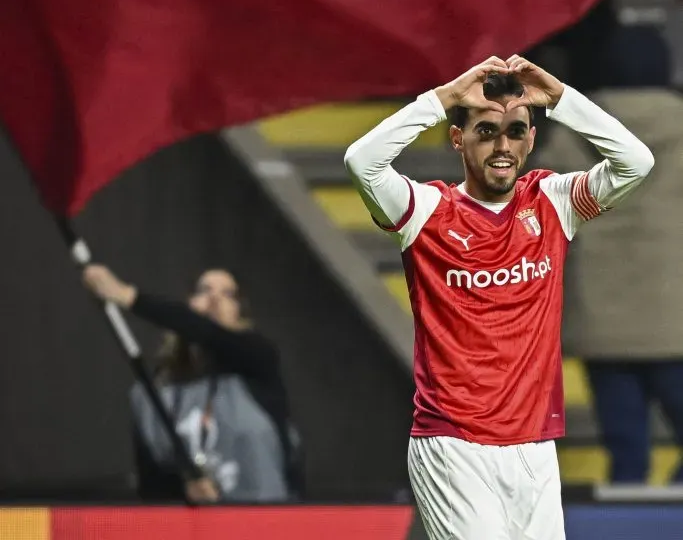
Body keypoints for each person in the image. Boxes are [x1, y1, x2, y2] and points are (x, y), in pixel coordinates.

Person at [344, 55, 654, 540]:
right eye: (486, 131)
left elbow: (636, 162)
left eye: (514, 131)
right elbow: (361, 161)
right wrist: (442, 98)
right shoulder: (426, 212)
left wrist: (561, 99)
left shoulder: (551, 202)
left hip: (535, 446)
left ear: (532, 139)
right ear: (457, 139)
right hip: (454, 444)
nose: (502, 146)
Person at [540, 81, 683, 483]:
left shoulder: (574, 134)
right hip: (675, 322)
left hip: (601, 322)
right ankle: (668, 514)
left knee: (626, 453)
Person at [82, 265, 302, 504]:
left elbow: (209, 334)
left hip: (267, 523)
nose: (215, 298)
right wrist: (186, 490)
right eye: (204, 291)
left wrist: (127, 296)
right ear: (187, 305)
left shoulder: (259, 361)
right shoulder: (154, 394)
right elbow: (153, 489)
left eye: (228, 294)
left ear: (240, 313)